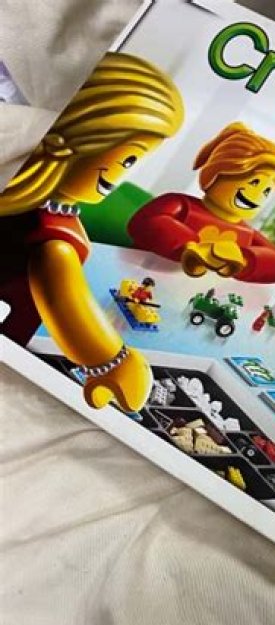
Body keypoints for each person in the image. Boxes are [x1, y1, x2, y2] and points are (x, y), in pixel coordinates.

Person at [0, 52, 184, 412]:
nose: (125, 174)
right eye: (128, 159)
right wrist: (115, 362)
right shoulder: (52, 237)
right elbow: (66, 302)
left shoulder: (27, 198)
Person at [128, 123, 275, 284]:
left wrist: (243, 259)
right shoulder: (180, 204)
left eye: (267, 191)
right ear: (217, 172)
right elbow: (146, 221)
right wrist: (191, 246)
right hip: (139, 276)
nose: (257, 195)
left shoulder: (247, 234)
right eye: (254, 182)